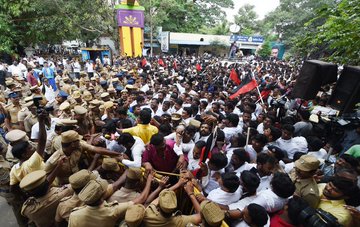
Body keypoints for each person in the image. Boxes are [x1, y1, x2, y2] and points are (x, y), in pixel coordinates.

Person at [68, 172, 153, 227]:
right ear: (102, 196)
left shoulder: (74, 215)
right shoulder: (111, 211)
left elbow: (115, 186)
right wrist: (148, 181)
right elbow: (141, 199)